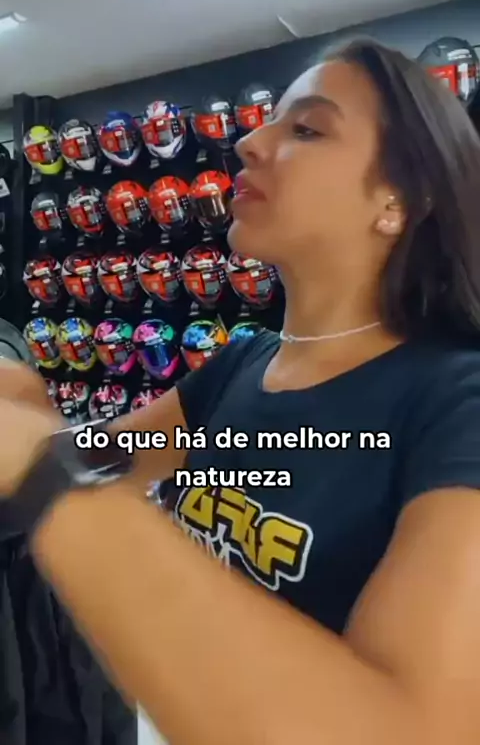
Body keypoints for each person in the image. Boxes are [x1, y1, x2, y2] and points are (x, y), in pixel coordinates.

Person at [2, 38, 480, 745]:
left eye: (307, 129)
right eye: (269, 121)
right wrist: (24, 405)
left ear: (400, 200)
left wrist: (45, 475)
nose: (250, 142)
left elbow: (411, 730)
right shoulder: (240, 365)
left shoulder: (459, 401)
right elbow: (102, 457)